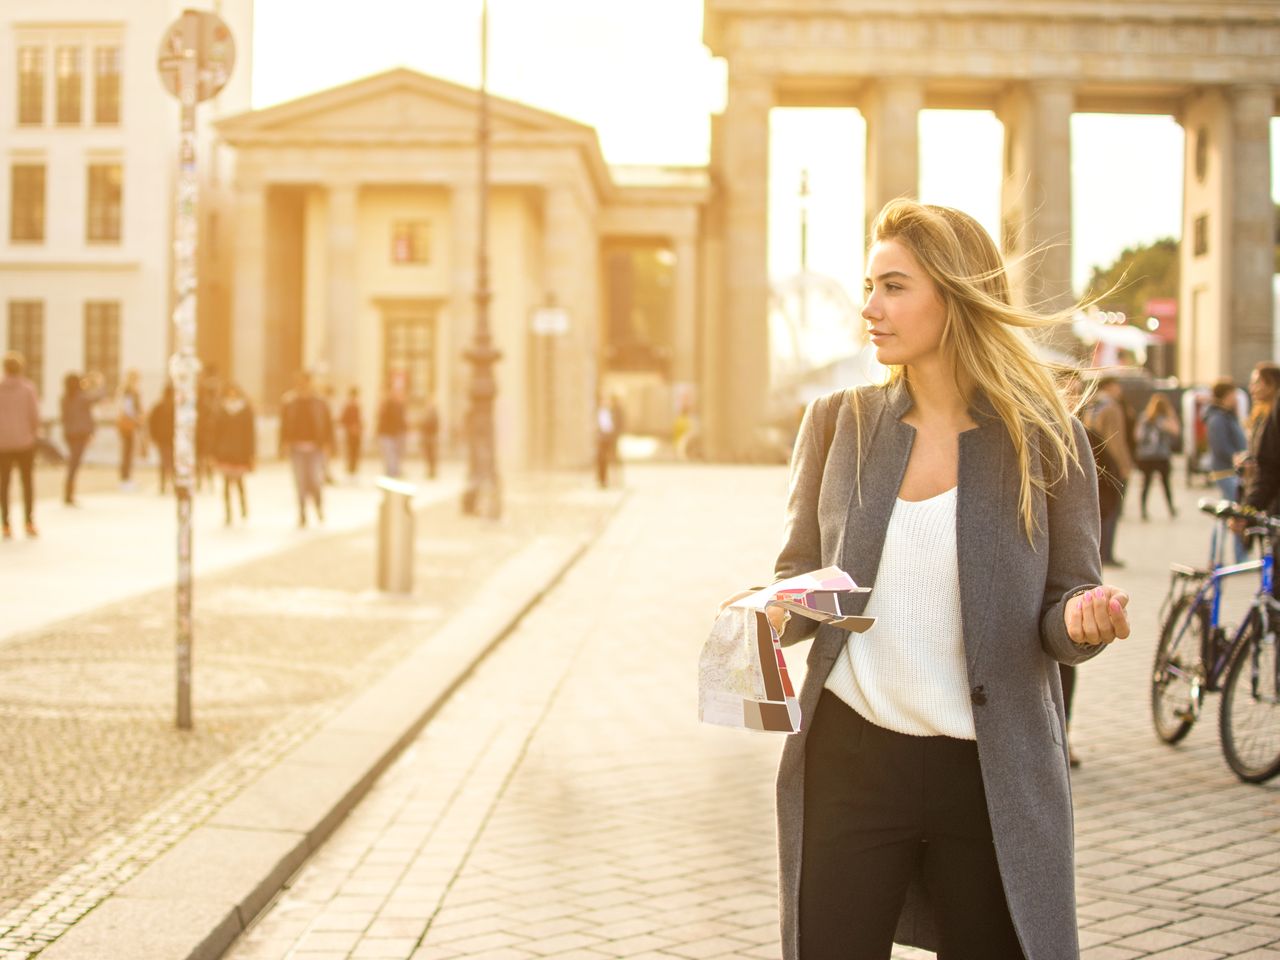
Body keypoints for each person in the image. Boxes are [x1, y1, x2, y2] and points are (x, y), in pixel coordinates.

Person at [720, 200, 1129, 960]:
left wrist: (1080, 621)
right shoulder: (838, 422)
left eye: (894, 286)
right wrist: (772, 613)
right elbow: (804, 576)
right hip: (849, 758)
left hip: (989, 772)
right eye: (868, 285)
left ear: (956, 293)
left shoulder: (1047, 441)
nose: (869, 308)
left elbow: (1064, 601)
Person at [1084, 376, 1133, 567]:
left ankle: (1101, 553)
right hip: (1111, 464)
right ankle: (1107, 554)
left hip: (1096, 462)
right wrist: (1123, 465)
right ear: (1110, 387)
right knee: (1113, 510)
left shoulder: (1092, 404)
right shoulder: (1111, 407)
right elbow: (1115, 440)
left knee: (1101, 510)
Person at [279, 371, 333, 527]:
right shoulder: (289, 402)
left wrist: (328, 445)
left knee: (315, 480)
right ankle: (302, 513)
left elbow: (328, 424)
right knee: (300, 481)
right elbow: (284, 426)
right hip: (297, 447)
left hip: (315, 448)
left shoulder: (320, 403)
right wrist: (283, 444)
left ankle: (318, 506)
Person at [0, 352, 41, 538]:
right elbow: (35, 416)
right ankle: (29, 522)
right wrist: (32, 434)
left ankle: (6, 524)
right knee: (27, 483)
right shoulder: (28, 389)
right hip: (25, 442)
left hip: (3, 444)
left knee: (4, 484)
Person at [211, 382, 256, 526]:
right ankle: (228, 513)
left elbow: (250, 434)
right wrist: (214, 453)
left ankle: (243, 509)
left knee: (240, 482)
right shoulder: (221, 410)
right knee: (225, 484)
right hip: (225, 452)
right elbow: (215, 433)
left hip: (241, 452)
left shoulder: (245, 410)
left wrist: (251, 454)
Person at [60, 371, 106, 506]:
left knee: (73, 463)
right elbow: (99, 396)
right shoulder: (81, 397)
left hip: (69, 434)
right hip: (80, 434)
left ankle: (69, 493)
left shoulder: (65, 398)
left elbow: (64, 418)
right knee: (74, 464)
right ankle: (69, 494)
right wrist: (100, 383)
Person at [1134, 393, 1180, 521]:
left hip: (1147, 456)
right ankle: (1170, 508)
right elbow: (1176, 432)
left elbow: (1137, 436)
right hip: (1160, 456)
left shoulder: (1144, 417)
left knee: (1146, 484)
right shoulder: (1161, 419)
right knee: (1165, 484)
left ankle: (1143, 510)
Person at [116, 368, 144, 489]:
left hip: (128, 424)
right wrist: (137, 418)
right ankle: (125, 479)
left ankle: (126, 478)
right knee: (127, 452)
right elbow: (128, 409)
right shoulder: (129, 392)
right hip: (129, 425)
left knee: (127, 451)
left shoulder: (127, 391)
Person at [148, 384, 176, 495]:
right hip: (172, 438)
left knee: (164, 462)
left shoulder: (158, 406)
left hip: (161, 439)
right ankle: (172, 484)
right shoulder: (175, 407)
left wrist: (154, 437)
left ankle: (163, 485)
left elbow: (151, 423)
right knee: (173, 462)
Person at [375, 387, 408, 478]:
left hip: (394, 434)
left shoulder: (399, 406)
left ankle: (393, 472)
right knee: (390, 455)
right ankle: (392, 473)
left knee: (394, 455)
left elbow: (401, 421)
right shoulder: (388, 405)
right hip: (388, 434)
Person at [340, 386, 363, 479]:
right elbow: (343, 420)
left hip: (357, 433)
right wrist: (351, 427)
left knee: (355, 450)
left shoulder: (358, 406)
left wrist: (359, 428)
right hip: (350, 433)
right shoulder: (348, 406)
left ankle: (354, 467)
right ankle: (350, 467)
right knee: (350, 450)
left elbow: (360, 420)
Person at [595, 399, 617, 488]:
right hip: (602, 438)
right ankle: (602, 479)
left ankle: (604, 479)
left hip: (606, 438)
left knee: (604, 459)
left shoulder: (606, 413)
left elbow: (609, 426)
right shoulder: (601, 413)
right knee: (602, 459)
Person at [420, 400, 440, 479]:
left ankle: (432, 471)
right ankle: (430, 471)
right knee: (428, 455)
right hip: (427, 437)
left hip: (431, 437)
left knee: (432, 455)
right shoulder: (425, 414)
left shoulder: (433, 415)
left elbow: (435, 425)